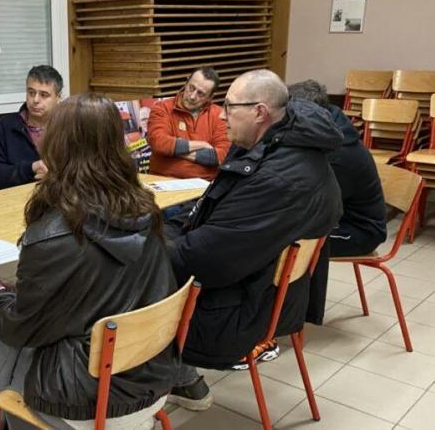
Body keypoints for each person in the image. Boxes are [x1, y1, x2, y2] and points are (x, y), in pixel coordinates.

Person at [0, 94, 180, 430]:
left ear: (57, 146)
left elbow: (21, 327)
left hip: (91, 406)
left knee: (17, 329)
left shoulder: (55, 233)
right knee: (34, 319)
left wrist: (1, 300)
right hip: (152, 382)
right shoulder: (144, 209)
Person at [164, 70, 343, 407]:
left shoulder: (280, 179)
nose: (220, 114)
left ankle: (149, 387)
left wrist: (142, 243)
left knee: (119, 272)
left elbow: (203, 260)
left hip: (231, 311)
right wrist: (162, 226)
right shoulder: (280, 147)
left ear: (260, 112)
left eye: (230, 107)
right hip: (259, 293)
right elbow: (218, 210)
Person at [0, 65, 62, 331]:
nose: (36, 100)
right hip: (10, 205)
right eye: (31, 92)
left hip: (56, 203)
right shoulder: (7, 126)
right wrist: (29, 169)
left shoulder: (67, 126)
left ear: (58, 98)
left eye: (44, 94)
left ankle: (51, 299)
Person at [288, 79, 386, 324]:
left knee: (294, 241)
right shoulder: (329, 128)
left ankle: (295, 317)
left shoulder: (340, 154)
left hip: (360, 231)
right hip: (340, 218)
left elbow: (317, 207)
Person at [147, 65, 231, 180]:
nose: (192, 96)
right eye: (191, 88)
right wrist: (201, 145)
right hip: (163, 180)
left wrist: (173, 150)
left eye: (200, 94)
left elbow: (222, 155)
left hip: (204, 185)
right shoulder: (162, 108)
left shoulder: (219, 115)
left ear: (210, 97)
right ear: (186, 82)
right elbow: (158, 142)